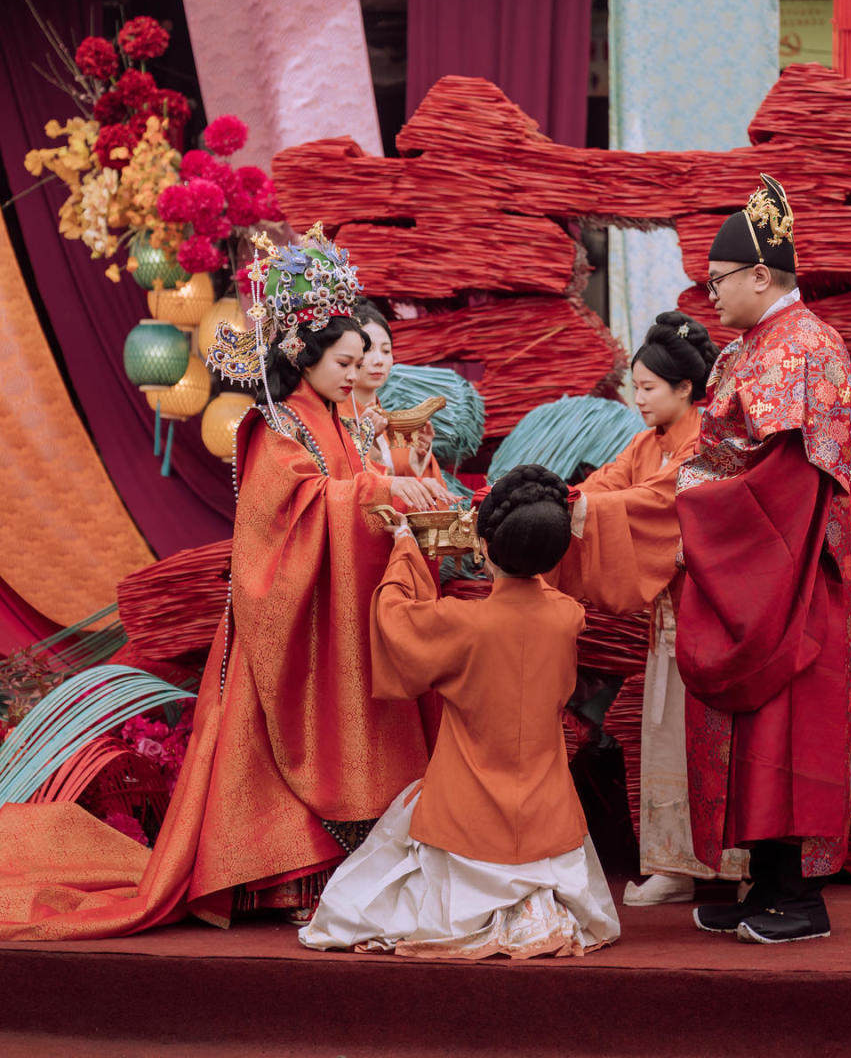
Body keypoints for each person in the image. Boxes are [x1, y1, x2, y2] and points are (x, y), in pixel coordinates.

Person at [0, 224, 449, 939]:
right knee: (280, 743)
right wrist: (377, 492)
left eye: (359, 360)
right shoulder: (276, 429)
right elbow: (287, 516)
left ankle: (352, 873)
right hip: (292, 628)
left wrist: (396, 494)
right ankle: (285, 880)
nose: (354, 373)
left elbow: (355, 493)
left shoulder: (342, 423)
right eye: (343, 361)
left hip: (342, 615)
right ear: (302, 354)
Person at [298, 464, 620, 958]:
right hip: (546, 811)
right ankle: (537, 909)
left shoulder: (463, 623)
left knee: (358, 896)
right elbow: (544, 592)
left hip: (467, 810)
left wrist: (405, 546)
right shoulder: (566, 616)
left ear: (484, 548)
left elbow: (394, 618)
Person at [675, 175, 851, 945]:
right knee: (755, 730)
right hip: (752, 558)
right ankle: (764, 885)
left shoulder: (806, 348)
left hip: (789, 566)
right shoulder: (755, 346)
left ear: (761, 274)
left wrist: (696, 508)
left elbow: (786, 482)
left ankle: (799, 898)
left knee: (788, 727)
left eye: (716, 280)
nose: (710, 295)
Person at [548, 313, 749, 905]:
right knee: (668, 734)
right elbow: (609, 485)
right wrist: (558, 499)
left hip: (715, 614)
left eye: (647, 388)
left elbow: (658, 503)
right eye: (634, 387)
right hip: (672, 617)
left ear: (685, 389)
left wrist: (582, 509)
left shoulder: (707, 442)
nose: (637, 399)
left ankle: (737, 862)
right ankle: (678, 862)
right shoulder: (648, 441)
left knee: (715, 738)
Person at [344, 299, 440, 481]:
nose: (379, 360)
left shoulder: (393, 425)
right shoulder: (337, 422)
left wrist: (420, 453)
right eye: (368, 350)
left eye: (386, 351)